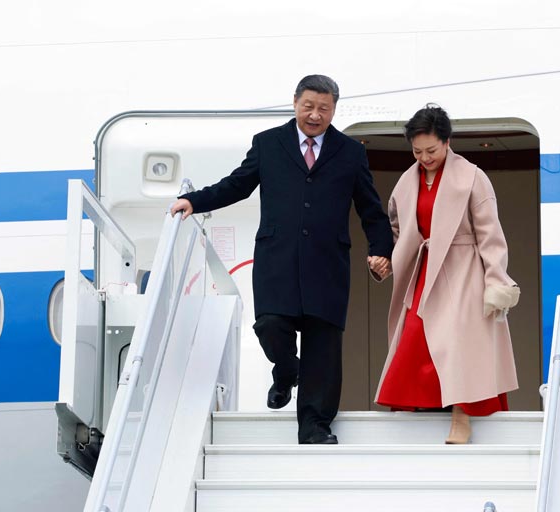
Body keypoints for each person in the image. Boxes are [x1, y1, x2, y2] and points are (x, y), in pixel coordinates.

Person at [170, 75, 393, 444]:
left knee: (323, 346)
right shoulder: (268, 143)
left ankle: (315, 427)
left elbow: (371, 209)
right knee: (271, 324)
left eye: (324, 109)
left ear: (334, 109)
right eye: (309, 106)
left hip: (328, 263)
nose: (315, 115)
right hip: (278, 258)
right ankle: (287, 370)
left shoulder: (350, 152)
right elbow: (237, 184)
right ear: (295, 102)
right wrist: (196, 201)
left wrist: (380, 249)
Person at [374, 105, 520, 444]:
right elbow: (396, 228)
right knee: (415, 337)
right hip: (424, 270)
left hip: (463, 268)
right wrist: (385, 259)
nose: (424, 158)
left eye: (431, 150)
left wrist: (495, 280)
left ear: (447, 141)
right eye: (417, 151)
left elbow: (490, 235)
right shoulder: (406, 181)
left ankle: (461, 415)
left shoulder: (472, 176)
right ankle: (415, 409)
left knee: (458, 342)